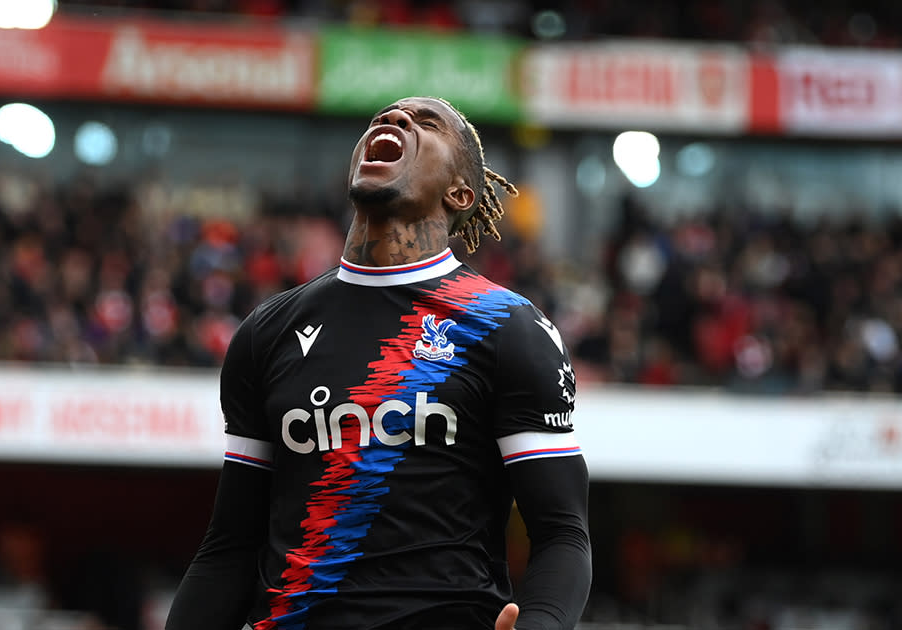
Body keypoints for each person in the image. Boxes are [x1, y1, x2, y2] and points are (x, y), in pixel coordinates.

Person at [165, 96, 591, 630]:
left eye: (426, 122)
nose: (395, 120)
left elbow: (562, 532)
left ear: (461, 191)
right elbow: (229, 546)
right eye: (382, 118)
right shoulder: (267, 331)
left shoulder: (506, 327)